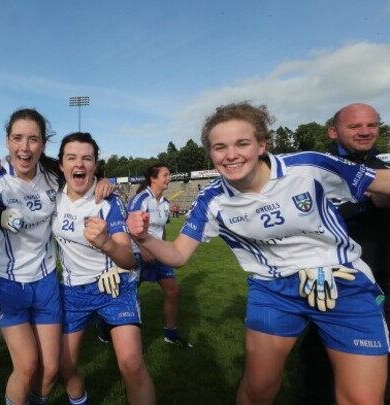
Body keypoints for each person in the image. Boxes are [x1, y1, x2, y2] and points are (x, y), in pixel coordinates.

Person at [127, 101, 390, 404]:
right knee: (259, 390)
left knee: (362, 399)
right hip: (273, 289)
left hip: (343, 283)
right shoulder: (212, 199)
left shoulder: (308, 166)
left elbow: (382, 181)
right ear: (210, 153)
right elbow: (178, 255)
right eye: (219, 147)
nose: (231, 155)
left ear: (262, 144)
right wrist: (143, 237)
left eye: (242, 143)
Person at [0, 108, 113, 405]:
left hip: (44, 282)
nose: (25, 147)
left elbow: (84, 173)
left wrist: (106, 182)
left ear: (43, 144)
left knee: (52, 368)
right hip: (6, 282)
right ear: (7, 141)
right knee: (28, 365)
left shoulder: (53, 174)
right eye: (17, 138)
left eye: (33, 139)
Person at [296, 103, 390, 404]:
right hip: (329, 280)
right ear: (334, 131)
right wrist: (362, 202)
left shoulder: (384, 171)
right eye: (355, 126)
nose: (365, 132)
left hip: (381, 278)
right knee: (321, 368)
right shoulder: (315, 172)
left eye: (372, 125)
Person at [54, 132, 155, 405]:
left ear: (95, 164)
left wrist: (105, 242)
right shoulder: (52, 194)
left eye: (87, 158)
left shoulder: (108, 200)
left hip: (113, 286)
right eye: (71, 157)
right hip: (73, 290)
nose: (79, 164)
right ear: (61, 164)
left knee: (132, 365)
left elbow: (128, 259)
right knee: (64, 365)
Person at [129, 164, 192, 348]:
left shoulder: (164, 202)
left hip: (158, 254)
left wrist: (163, 249)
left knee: (172, 291)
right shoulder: (141, 199)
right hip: (138, 254)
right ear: (153, 178)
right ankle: (108, 327)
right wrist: (145, 250)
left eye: (169, 175)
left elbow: (161, 228)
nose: (169, 178)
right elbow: (129, 227)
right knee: (129, 293)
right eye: (165, 175)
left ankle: (170, 334)